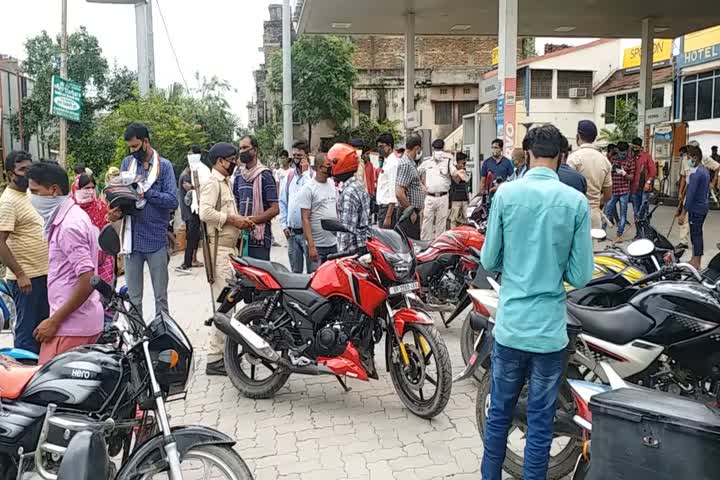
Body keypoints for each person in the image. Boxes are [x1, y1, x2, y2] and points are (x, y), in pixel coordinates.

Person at [480, 124, 593, 480]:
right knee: (541, 423)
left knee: (498, 414)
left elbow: (489, 260)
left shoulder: (506, 195)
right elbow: (580, 275)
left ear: (528, 153)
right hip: (549, 333)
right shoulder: (575, 202)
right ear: (561, 157)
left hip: (512, 327)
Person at [27, 162, 104, 364]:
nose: (31, 197)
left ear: (53, 190)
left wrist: (54, 321)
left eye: (35, 191)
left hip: (71, 327)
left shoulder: (69, 225)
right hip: (75, 323)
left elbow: (87, 279)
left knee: (47, 391)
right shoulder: (69, 217)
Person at [109, 123, 177, 319]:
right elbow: (123, 197)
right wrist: (117, 212)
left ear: (146, 142)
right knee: (134, 298)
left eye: (136, 146)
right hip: (133, 241)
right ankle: (137, 340)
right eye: (130, 147)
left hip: (156, 239)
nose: (133, 151)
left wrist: (146, 191)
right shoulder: (127, 164)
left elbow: (172, 200)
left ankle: (163, 339)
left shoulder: (164, 166)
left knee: (160, 297)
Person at [199, 142, 255, 376]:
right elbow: (205, 212)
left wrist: (241, 221)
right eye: (232, 159)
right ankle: (215, 358)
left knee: (228, 305)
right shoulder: (213, 183)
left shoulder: (225, 182)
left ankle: (221, 355)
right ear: (221, 161)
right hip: (218, 252)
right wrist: (233, 220)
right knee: (224, 306)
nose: (235, 163)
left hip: (229, 251)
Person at [0, 151, 50, 354]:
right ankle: (23, 376)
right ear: (11, 173)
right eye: (22, 170)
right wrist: (20, 274)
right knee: (26, 333)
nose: (27, 174)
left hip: (42, 274)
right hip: (26, 280)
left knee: (42, 329)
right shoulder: (8, 201)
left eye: (30, 169)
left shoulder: (30, 194)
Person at [233, 135, 279, 261]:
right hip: (242, 237)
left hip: (260, 239)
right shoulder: (239, 176)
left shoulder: (265, 175)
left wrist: (252, 221)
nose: (242, 151)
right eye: (240, 148)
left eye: (246, 147)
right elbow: (235, 204)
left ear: (255, 150)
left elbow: (275, 209)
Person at [567, 120, 612, 229]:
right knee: (591, 246)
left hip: (575, 214)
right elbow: (608, 195)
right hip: (594, 216)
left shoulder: (573, 158)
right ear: (594, 138)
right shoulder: (604, 160)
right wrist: (595, 204)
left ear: (578, 136)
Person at [299, 154, 338, 267]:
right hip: (317, 247)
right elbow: (305, 218)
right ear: (320, 168)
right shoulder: (308, 188)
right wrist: (311, 246)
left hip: (333, 244)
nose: (331, 168)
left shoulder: (331, 184)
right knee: (316, 281)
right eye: (328, 165)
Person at [279, 140, 313, 272]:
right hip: (292, 233)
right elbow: (282, 201)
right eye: (294, 155)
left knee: (313, 273)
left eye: (299, 155)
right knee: (295, 274)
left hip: (309, 234)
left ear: (307, 155)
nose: (296, 159)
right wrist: (283, 224)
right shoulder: (289, 176)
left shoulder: (312, 176)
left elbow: (311, 194)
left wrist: (305, 173)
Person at [329, 144, 370, 251]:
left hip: (351, 253)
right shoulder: (358, 186)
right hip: (361, 248)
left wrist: (341, 255)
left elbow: (347, 230)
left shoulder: (349, 193)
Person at [418, 139, 458, 240]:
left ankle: (439, 246)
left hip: (443, 197)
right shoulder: (427, 162)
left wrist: (454, 160)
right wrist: (421, 186)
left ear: (443, 149)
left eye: (440, 149)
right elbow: (415, 174)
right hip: (430, 197)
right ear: (432, 149)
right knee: (427, 223)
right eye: (436, 149)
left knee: (441, 224)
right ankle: (424, 246)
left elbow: (455, 174)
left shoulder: (448, 162)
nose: (438, 152)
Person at [678, 145, 710, 269]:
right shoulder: (704, 170)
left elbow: (690, 196)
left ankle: (696, 262)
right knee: (698, 234)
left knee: (695, 235)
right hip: (703, 206)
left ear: (695, 158)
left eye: (689, 158)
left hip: (696, 208)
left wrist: (683, 213)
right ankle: (695, 258)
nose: (688, 161)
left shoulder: (696, 174)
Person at [176, 146, 204, 274]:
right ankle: (187, 262)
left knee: (195, 236)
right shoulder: (186, 175)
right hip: (189, 212)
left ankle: (193, 259)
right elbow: (190, 189)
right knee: (191, 237)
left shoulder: (191, 173)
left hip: (193, 212)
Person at [396, 134, 426, 240]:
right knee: (410, 246)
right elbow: (399, 193)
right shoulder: (406, 164)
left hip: (412, 212)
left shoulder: (410, 163)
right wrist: (411, 211)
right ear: (417, 148)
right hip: (408, 214)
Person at [604, 141, 635, 244]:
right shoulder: (613, 159)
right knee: (607, 211)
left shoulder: (630, 161)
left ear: (627, 151)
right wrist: (613, 170)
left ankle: (619, 235)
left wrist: (624, 174)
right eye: (621, 152)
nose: (623, 154)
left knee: (623, 214)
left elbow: (631, 177)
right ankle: (602, 233)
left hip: (624, 191)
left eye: (624, 153)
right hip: (613, 190)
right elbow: (607, 172)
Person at [629, 137, 657, 226]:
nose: (634, 149)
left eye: (636, 147)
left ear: (640, 147)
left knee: (644, 211)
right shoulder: (630, 157)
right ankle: (638, 234)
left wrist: (648, 183)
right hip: (634, 188)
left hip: (644, 188)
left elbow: (653, 171)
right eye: (633, 147)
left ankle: (645, 232)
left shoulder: (646, 157)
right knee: (636, 212)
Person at [375, 133, 401, 229]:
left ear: (389, 146)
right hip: (383, 208)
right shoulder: (387, 162)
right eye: (378, 147)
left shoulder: (393, 164)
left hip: (388, 209)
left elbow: (392, 192)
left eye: (382, 146)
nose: (379, 149)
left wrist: (388, 217)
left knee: (385, 241)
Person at [449, 152, 470, 228]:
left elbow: (467, 180)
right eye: (463, 162)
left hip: (464, 198)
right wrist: (460, 172)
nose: (464, 164)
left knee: (467, 219)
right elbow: (457, 180)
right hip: (455, 199)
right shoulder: (453, 171)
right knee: (454, 219)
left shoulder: (463, 170)